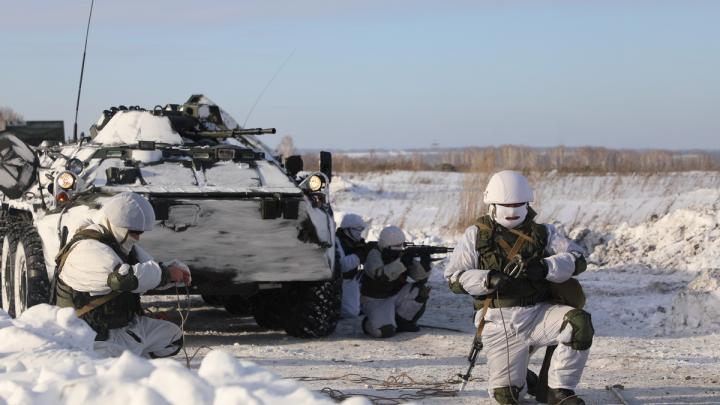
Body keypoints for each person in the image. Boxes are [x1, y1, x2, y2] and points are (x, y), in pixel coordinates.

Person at [445, 170, 592, 405]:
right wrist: (488, 279)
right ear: (492, 203)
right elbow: (454, 278)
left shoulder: (544, 233)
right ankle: (524, 379)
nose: (511, 210)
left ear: (528, 203)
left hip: (538, 313)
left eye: (517, 204)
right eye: (505, 204)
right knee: (507, 397)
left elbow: (578, 258)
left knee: (578, 323)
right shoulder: (476, 235)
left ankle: (559, 390)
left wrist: (545, 267)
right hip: (499, 320)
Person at [54, 192, 192, 358]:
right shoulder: (86, 248)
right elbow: (121, 280)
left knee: (172, 338)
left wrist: (172, 272)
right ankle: (129, 370)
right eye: (134, 231)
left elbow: (146, 271)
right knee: (110, 368)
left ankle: (136, 363)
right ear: (117, 225)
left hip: (122, 328)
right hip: (92, 338)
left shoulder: (117, 245)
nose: (137, 237)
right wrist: (166, 274)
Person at [360, 225, 431, 338]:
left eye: (400, 248)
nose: (398, 252)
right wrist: (401, 264)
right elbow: (381, 277)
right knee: (384, 331)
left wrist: (425, 264)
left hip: (395, 295)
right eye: (394, 249)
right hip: (375, 301)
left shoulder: (401, 254)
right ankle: (368, 324)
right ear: (385, 246)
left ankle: (403, 322)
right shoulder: (373, 254)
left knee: (419, 291)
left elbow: (420, 278)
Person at [335, 213, 368, 318]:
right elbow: (343, 265)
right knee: (351, 312)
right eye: (357, 230)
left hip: (356, 278)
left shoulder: (357, 243)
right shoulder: (336, 241)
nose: (360, 233)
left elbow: (362, 265)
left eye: (361, 230)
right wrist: (360, 255)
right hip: (343, 280)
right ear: (347, 230)